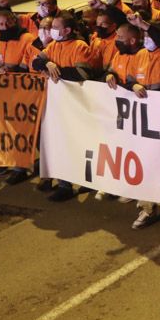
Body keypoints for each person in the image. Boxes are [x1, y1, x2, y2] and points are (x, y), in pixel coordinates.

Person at [31, 11, 93, 201]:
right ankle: (64, 184)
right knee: (58, 144)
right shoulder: (53, 46)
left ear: (67, 30)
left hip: (76, 105)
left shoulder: (80, 46)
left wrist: (54, 70)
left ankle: (85, 180)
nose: (52, 31)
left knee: (77, 145)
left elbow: (81, 74)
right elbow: (36, 62)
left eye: (56, 28)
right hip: (57, 105)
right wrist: (48, 63)